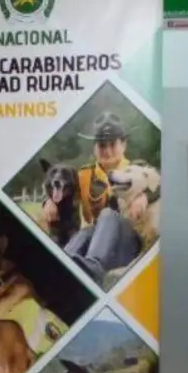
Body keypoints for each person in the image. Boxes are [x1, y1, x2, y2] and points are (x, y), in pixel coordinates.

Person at [44, 112, 155, 282]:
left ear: (123, 144)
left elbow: (161, 183)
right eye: (102, 145)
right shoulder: (84, 175)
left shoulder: (137, 169)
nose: (107, 151)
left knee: (108, 214)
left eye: (112, 144)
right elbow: (62, 187)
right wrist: (49, 201)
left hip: (127, 244)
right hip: (95, 242)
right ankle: (61, 264)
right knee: (88, 230)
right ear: (94, 148)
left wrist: (145, 196)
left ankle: (93, 266)